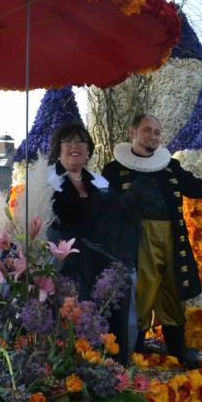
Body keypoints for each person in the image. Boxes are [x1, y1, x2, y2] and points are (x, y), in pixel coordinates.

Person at [102, 113, 202, 368]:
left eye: (157, 132)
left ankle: (176, 351)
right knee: (140, 297)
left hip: (172, 239)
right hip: (137, 241)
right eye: (147, 130)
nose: (152, 136)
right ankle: (132, 355)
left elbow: (199, 189)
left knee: (174, 294)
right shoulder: (113, 169)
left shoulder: (171, 166)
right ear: (133, 133)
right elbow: (107, 211)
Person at [46, 121, 138, 363]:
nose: (75, 146)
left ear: (88, 150)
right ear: (58, 148)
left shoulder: (100, 183)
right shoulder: (44, 181)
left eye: (81, 141)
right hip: (62, 260)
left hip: (99, 257)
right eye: (68, 141)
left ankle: (108, 364)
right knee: (77, 311)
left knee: (115, 298)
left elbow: (112, 222)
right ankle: (72, 364)